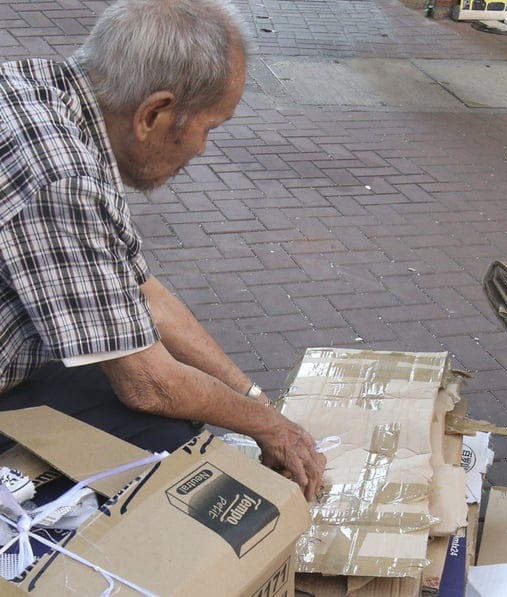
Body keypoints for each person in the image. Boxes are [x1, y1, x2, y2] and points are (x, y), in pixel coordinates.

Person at [0, 0, 325, 501]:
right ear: (153, 114)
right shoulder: (63, 177)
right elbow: (148, 383)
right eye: (209, 128)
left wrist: (255, 403)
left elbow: (143, 295)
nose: (203, 150)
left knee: (188, 401)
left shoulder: (41, 88)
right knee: (170, 449)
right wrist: (271, 429)